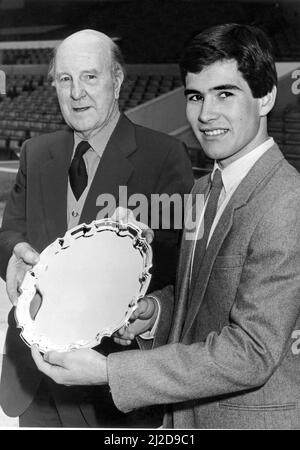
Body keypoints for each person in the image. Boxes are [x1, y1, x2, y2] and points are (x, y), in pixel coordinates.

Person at [32, 23, 300, 430]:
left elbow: (251, 352)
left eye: (224, 94)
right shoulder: (199, 192)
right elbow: (202, 302)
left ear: (265, 97)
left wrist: (111, 372)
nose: (206, 114)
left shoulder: (287, 201)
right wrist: (154, 313)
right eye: (195, 96)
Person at [0, 29, 194, 428]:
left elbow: (182, 268)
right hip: (35, 378)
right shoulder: (36, 153)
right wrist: (12, 260)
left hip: (110, 387)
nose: (76, 93)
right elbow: (9, 233)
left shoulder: (164, 155)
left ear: (117, 80)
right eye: (65, 79)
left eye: (90, 77)